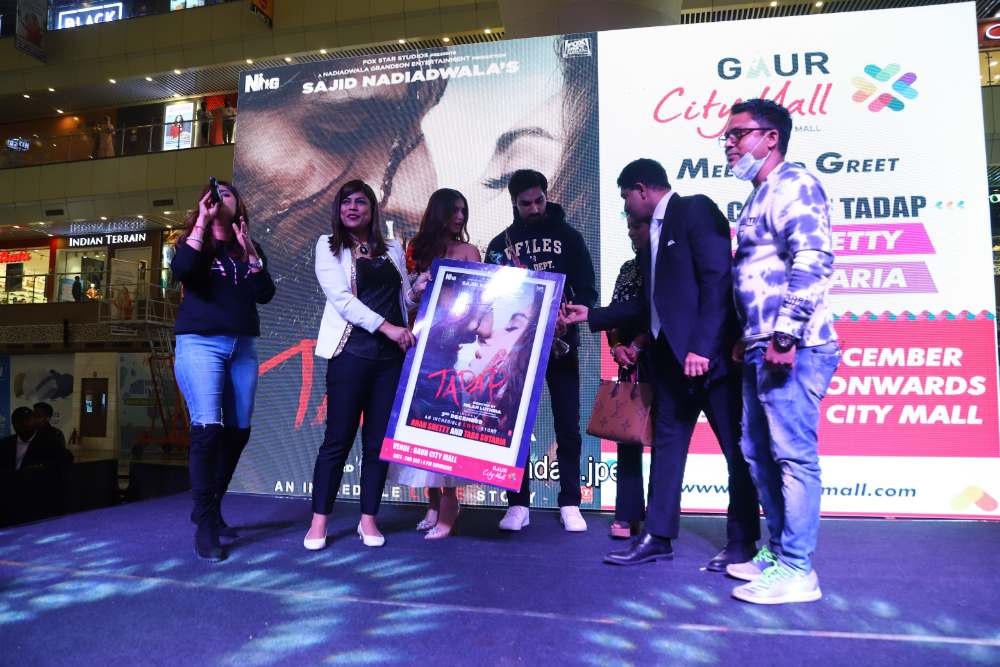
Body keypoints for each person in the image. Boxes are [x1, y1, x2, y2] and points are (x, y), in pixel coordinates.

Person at [561, 158, 760, 568]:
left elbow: (717, 281)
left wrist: (702, 348)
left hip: (711, 362)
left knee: (737, 452)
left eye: (625, 198)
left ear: (641, 188)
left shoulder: (695, 209)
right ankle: (657, 537)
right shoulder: (652, 234)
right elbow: (648, 303)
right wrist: (593, 315)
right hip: (669, 364)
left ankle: (742, 541)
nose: (625, 207)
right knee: (667, 452)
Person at [721, 99, 840, 605]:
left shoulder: (796, 184)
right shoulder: (759, 194)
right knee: (757, 451)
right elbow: (759, 272)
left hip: (795, 346)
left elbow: (813, 259)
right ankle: (778, 553)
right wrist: (748, 335)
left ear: (771, 137)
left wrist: (785, 335)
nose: (729, 143)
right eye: (727, 136)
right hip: (761, 343)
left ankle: (798, 569)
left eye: (739, 134)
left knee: (793, 456)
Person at [304, 180, 421, 551]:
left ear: (372, 209)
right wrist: (388, 328)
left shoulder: (393, 249)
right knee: (336, 441)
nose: (352, 207)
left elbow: (402, 299)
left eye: (360, 202)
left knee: (377, 444)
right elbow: (342, 300)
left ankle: (368, 519)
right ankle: (319, 521)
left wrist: (420, 288)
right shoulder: (328, 245)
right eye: (346, 202)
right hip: (350, 354)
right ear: (338, 210)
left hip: (390, 360)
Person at [485, 169, 597, 533]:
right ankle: (517, 504)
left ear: (547, 196)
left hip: (562, 345)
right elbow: (490, 301)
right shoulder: (499, 245)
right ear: (514, 203)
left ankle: (570, 502)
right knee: (512, 426)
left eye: (539, 201)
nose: (534, 208)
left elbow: (588, 290)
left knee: (567, 424)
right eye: (526, 203)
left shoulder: (570, 237)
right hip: (515, 351)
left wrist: (570, 315)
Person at [172, 180, 276, 561]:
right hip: (201, 344)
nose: (220, 198)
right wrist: (201, 222)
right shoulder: (193, 243)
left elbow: (265, 293)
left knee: (238, 431)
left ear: (239, 205)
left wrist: (250, 252)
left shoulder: (248, 247)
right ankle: (204, 523)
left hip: (242, 347)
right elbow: (183, 270)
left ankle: (212, 509)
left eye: (228, 193)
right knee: (208, 429)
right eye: (215, 194)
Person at [388, 188, 479, 540]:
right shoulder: (415, 250)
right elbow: (405, 300)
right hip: (418, 346)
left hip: (454, 349)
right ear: (438, 212)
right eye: (454, 210)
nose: (460, 217)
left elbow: (478, 301)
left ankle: (450, 504)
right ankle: (432, 502)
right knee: (420, 425)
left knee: (447, 424)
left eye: (463, 210)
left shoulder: (469, 252)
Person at [605, 214, 652, 539]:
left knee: (664, 441)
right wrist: (617, 346)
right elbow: (612, 315)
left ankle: (659, 517)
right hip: (629, 364)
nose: (631, 232)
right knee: (628, 437)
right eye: (630, 227)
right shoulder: (626, 269)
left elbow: (666, 315)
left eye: (637, 226)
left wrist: (639, 344)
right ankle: (627, 513)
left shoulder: (669, 268)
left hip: (662, 360)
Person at [0, 407, 74, 526]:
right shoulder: (6, 443)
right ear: (14, 424)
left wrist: (42, 468)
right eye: (19, 421)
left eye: (27, 420)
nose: (24, 424)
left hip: (36, 490)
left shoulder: (48, 441)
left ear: (34, 421)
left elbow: (67, 459)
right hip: (10, 490)